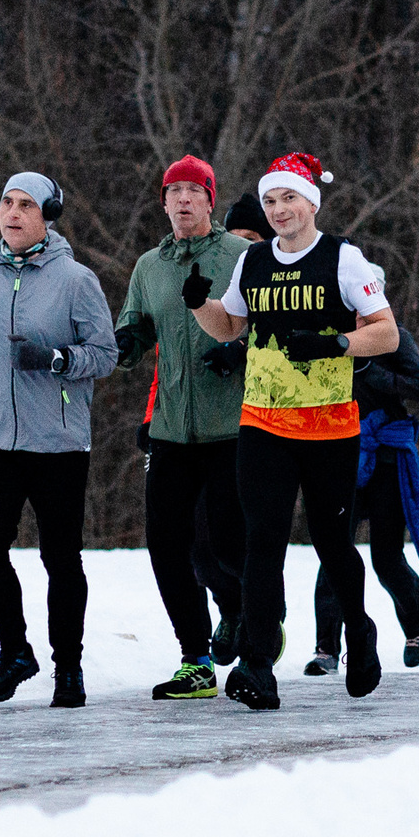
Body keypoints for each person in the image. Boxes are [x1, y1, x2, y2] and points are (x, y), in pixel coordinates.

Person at [185, 153, 400, 710]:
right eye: (271, 201)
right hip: (264, 422)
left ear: (311, 203)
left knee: (333, 544)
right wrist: (198, 306)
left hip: (329, 426)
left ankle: (359, 629)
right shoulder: (252, 261)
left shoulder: (343, 259)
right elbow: (229, 325)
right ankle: (259, 665)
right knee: (263, 543)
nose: (279, 210)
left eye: (289, 199)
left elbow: (388, 334)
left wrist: (337, 344)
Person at [0, 171, 120, 707]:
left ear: (48, 216)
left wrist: (55, 359)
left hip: (59, 444)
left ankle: (67, 668)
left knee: (61, 560)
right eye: (7, 203)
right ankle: (14, 651)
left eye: (27, 205)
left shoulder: (76, 280)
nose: (13, 213)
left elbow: (106, 354)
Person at [116, 156, 252, 701]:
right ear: (164, 203)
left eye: (195, 191)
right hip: (170, 429)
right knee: (167, 546)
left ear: (210, 201)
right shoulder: (150, 266)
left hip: (232, 428)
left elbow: (272, 325)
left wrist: (238, 352)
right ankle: (194, 660)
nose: (184, 201)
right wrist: (126, 345)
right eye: (175, 192)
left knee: (227, 543)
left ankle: (250, 616)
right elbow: (135, 325)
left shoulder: (242, 256)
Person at [308, 316, 419, 675]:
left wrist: (370, 371)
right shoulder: (326, 338)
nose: (360, 312)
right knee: (334, 553)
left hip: (385, 455)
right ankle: (326, 648)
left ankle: (417, 626)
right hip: (339, 452)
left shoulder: (396, 338)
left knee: (385, 557)